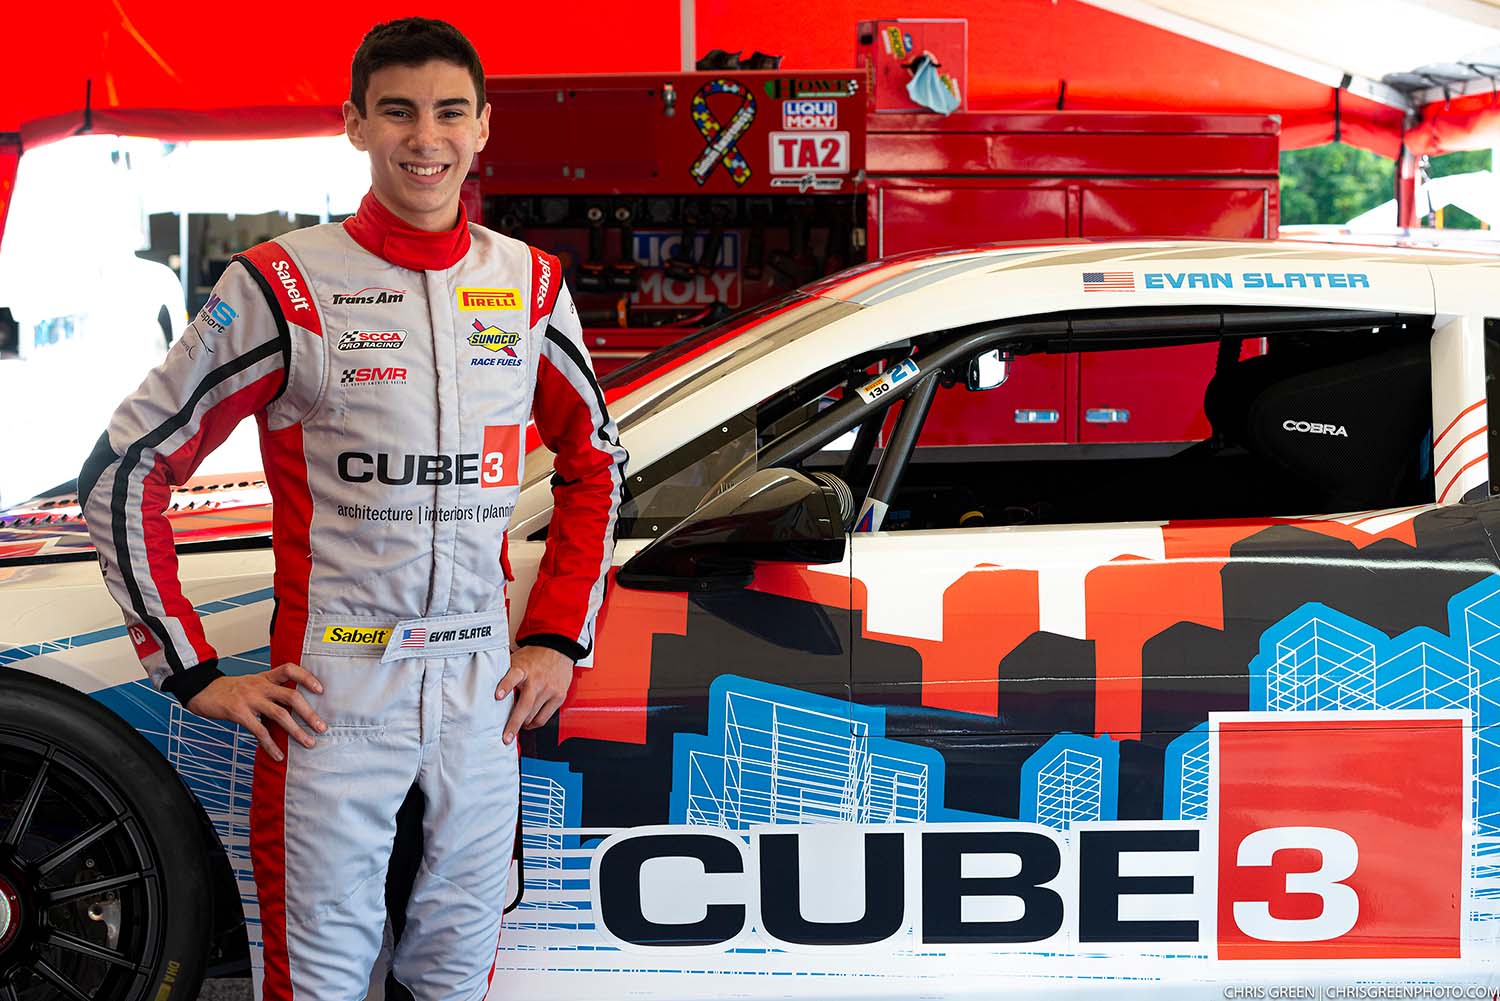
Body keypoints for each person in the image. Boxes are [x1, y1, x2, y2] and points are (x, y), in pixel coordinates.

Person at [78, 17, 626, 999]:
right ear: (355, 124)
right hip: (336, 690)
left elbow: (598, 464)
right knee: (319, 980)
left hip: (481, 691)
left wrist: (556, 639)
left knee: (456, 975)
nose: (427, 138)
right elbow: (126, 465)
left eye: (450, 112)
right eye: (399, 112)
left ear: (483, 126)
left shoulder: (529, 283)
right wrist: (190, 669)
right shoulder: (283, 284)